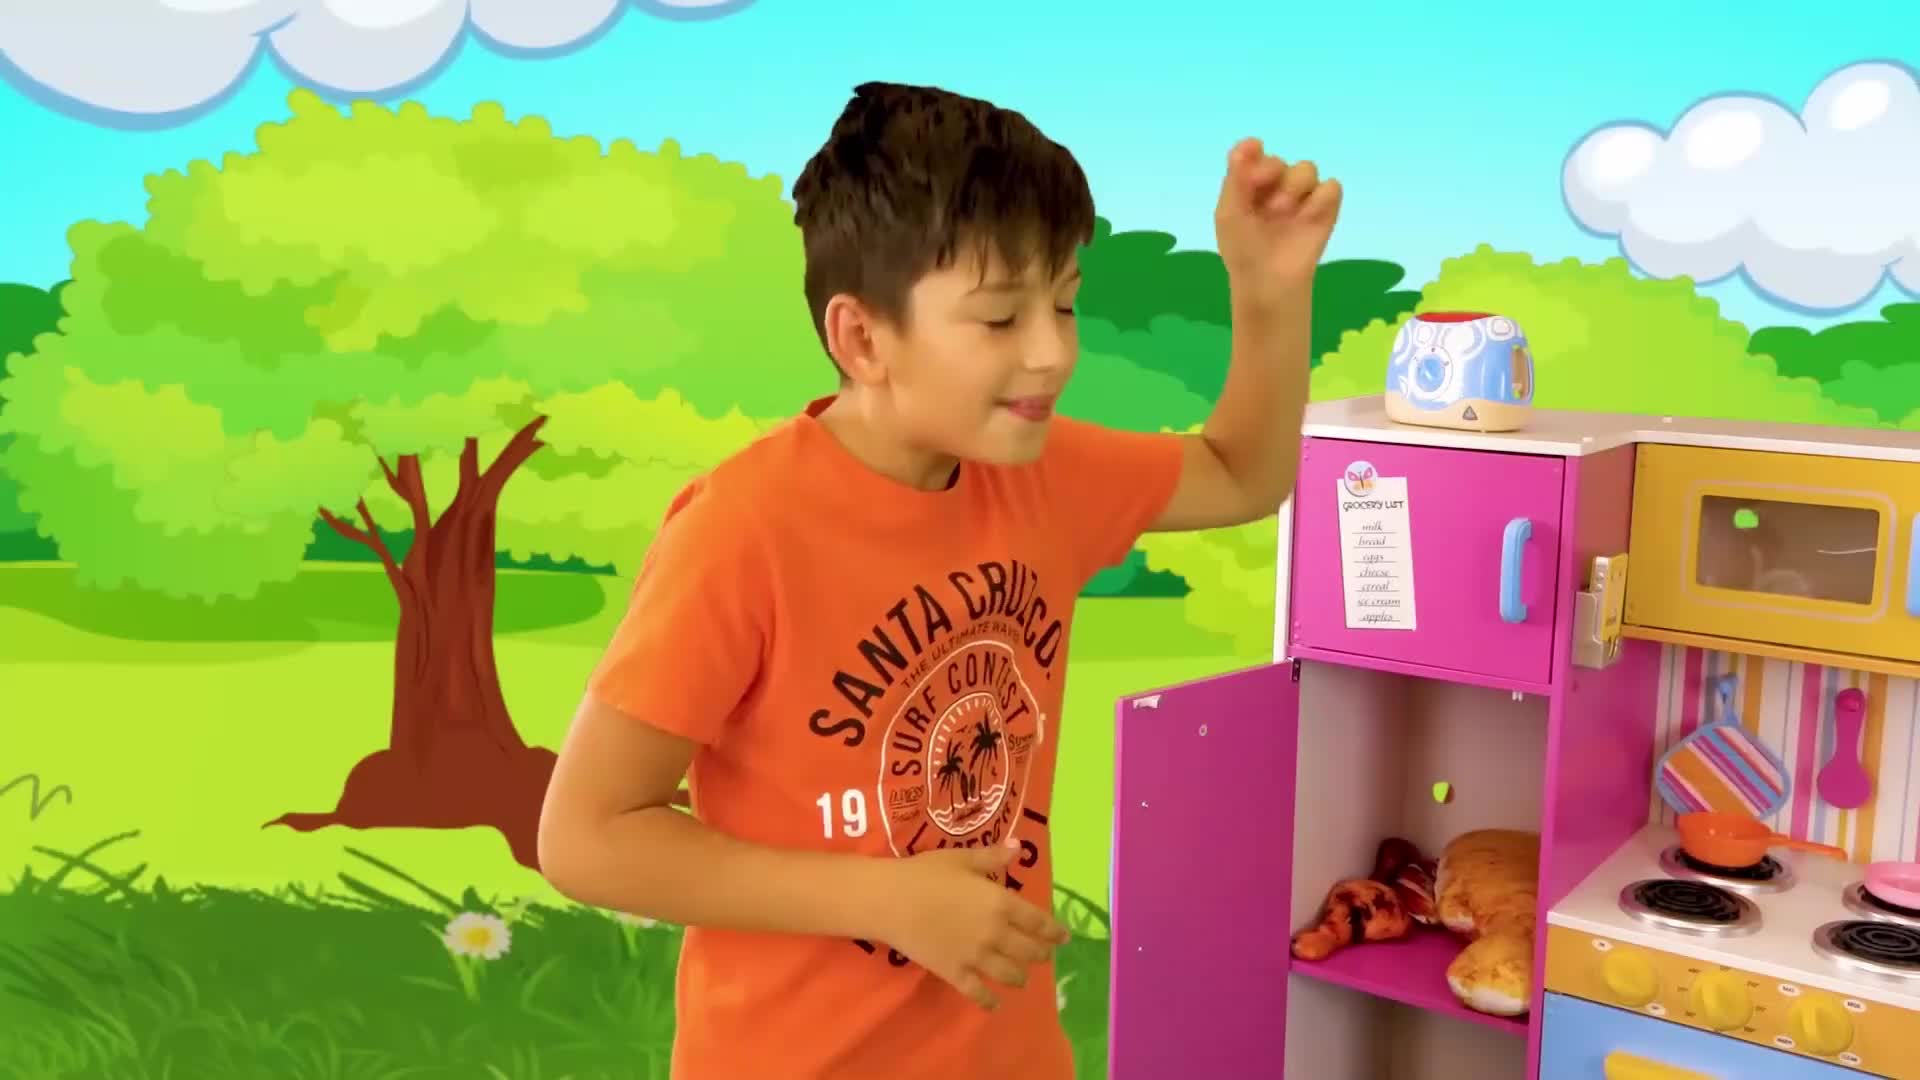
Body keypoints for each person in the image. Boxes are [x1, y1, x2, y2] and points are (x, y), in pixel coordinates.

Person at [536, 80, 1341, 1079]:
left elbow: (1242, 474)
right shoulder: (742, 532)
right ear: (862, 339)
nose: (1051, 352)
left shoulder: (1041, 475)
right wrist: (884, 899)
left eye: (1064, 303)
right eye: (1000, 319)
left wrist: (1270, 293)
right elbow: (587, 836)